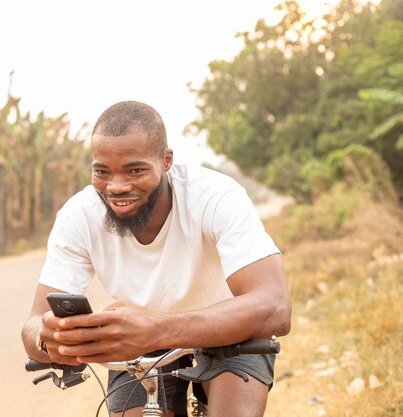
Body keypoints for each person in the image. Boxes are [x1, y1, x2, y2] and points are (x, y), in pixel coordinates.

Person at [21, 100, 292, 417]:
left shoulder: (215, 195)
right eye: (102, 172)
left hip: (232, 330)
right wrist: (47, 337)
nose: (117, 186)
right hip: (136, 343)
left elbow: (275, 306)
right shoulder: (78, 215)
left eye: (135, 170)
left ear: (166, 161)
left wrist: (153, 330)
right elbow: (32, 324)